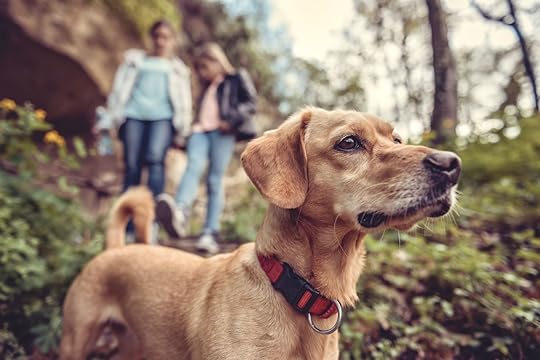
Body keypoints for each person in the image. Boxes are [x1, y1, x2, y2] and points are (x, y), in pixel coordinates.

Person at [95, 20, 192, 243]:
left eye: (165, 37)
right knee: (132, 167)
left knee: (155, 162)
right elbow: (118, 91)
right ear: (152, 37)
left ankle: (151, 225)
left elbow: (184, 102)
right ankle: (127, 227)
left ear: (172, 41)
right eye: (157, 36)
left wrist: (182, 130)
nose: (160, 41)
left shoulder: (178, 69)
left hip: (163, 119)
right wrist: (110, 119)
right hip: (133, 116)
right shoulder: (134, 61)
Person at [156, 42, 257, 254]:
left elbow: (250, 103)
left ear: (216, 61)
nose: (201, 73)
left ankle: (210, 232)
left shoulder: (236, 78)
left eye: (204, 67)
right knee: (193, 166)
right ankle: (180, 213)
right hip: (200, 132)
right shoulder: (205, 88)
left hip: (222, 132)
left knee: (214, 179)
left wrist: (230, 121)